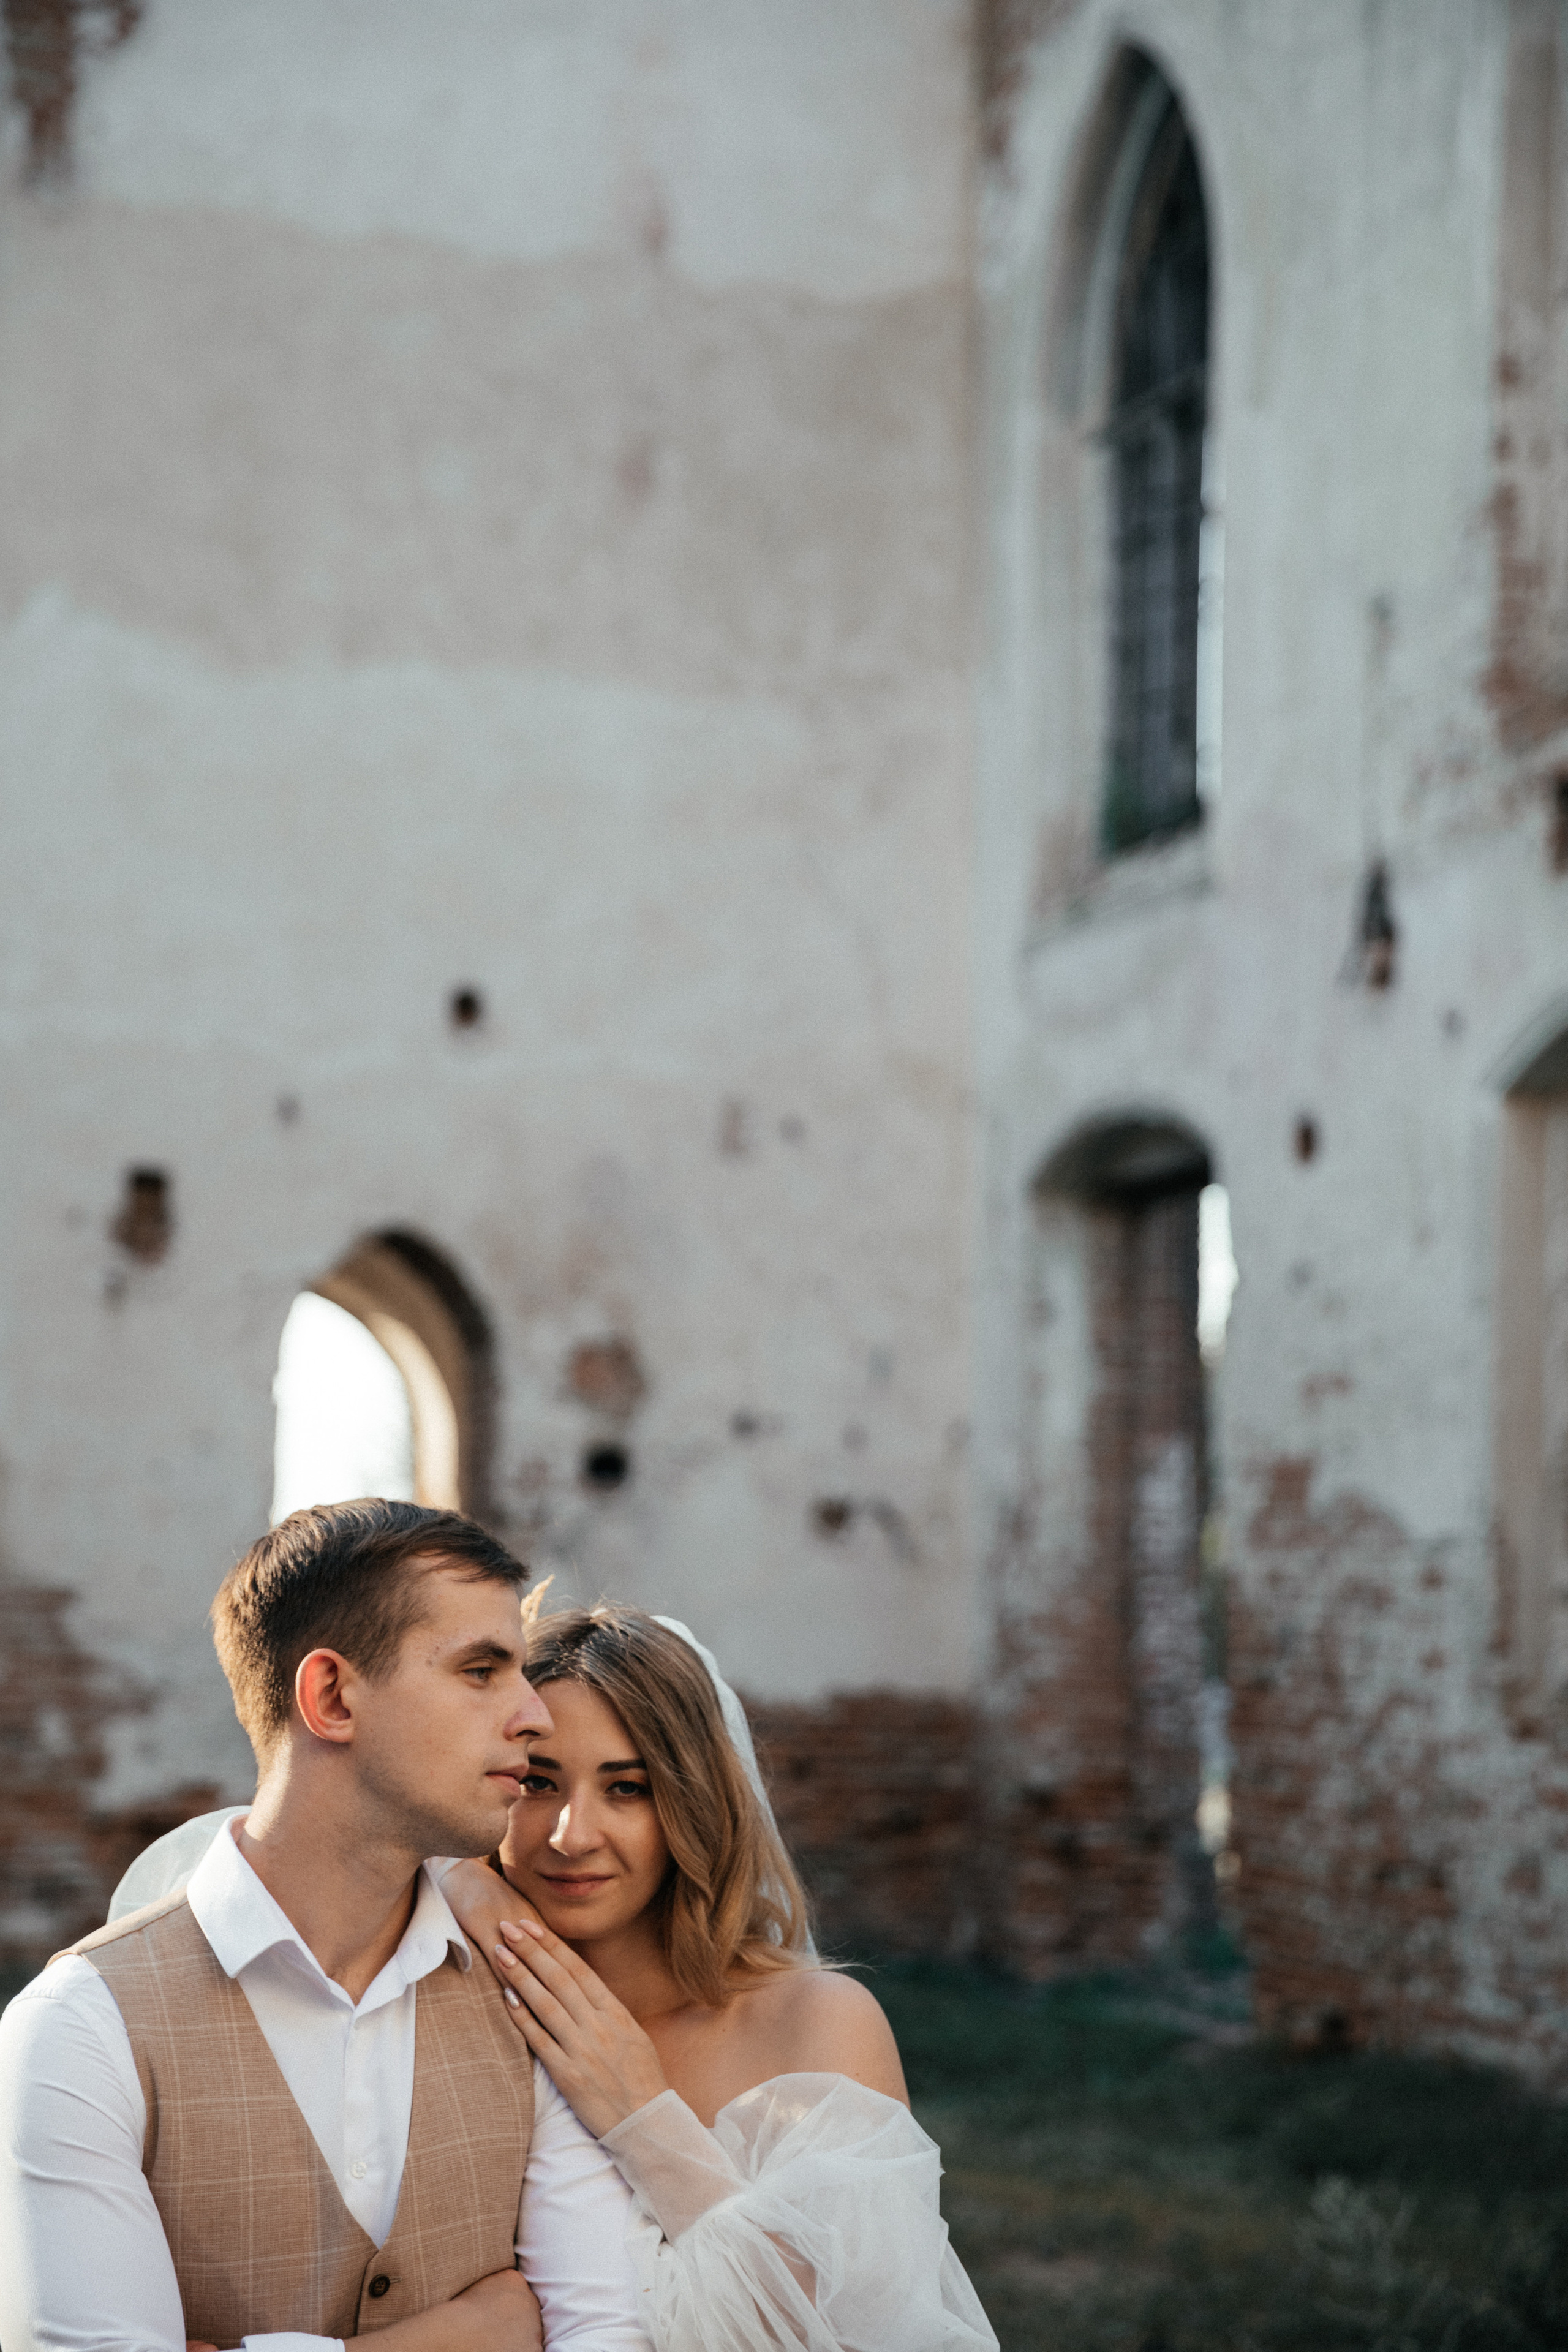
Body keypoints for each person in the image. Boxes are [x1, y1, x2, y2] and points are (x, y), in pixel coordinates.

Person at [0, 1501, 654, 2352]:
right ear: (333, 1697)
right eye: (481, 1671)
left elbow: (607, 2336)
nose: (534, 1716)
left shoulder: (530, 1998)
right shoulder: (80, 2028)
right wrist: (475, 2333)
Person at [437, 1600, 998, 2352]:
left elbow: (841, 2336)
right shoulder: (449, 1996)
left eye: (627, 1788)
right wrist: (450, 1872)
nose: (572, 1836)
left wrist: (642, 2114)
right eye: (538, 1783)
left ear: (692, 1805)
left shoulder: (816, 2022)